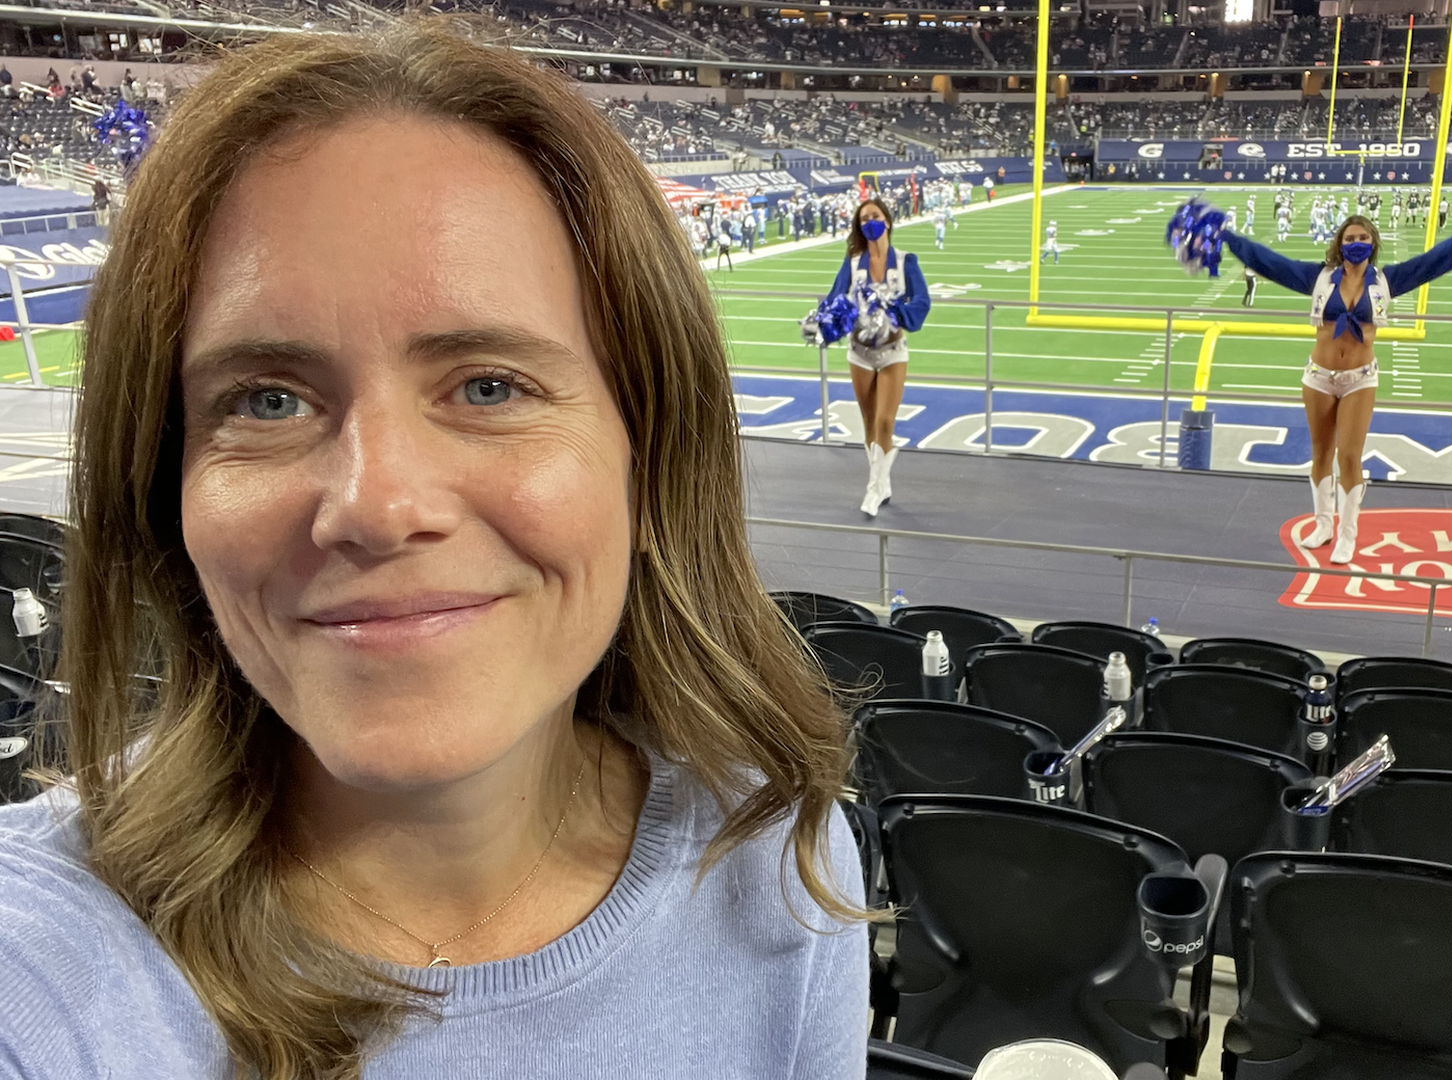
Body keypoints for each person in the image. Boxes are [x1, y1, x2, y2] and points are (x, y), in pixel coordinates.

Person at [0, 20, 867, 1080]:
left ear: (651, 456)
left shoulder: (781, 856)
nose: (376, 504)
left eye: (489, 386)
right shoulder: (36, 974)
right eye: (267, 400)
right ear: (164, 483)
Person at [1223, 210, 1452, 563]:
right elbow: (1268, 261)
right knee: (1321, 454)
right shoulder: (1319, 278)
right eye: (1350, 238)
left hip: (1360, 379)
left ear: (1373, 244)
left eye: (1363, 238)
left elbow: (1438, 260)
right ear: (1338, 244)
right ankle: (1323, 524)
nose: (1356, 244)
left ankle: (1347, 535)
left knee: (1349, 457)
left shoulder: (1389, 280)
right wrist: (1227, 236)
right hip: (1318, 376)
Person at [827, 199, 930, 516]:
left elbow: (922, 300)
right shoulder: (854, 261)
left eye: (875, 216)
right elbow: (835, 297)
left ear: (887, 220)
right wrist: (832, 322)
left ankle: (873, 489)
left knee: (886, 420)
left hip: (892, 352)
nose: (869, 222)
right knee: (869, 420)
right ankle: (881, 482)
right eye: (864, 219)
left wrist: (895, 314)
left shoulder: (905, 262)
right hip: (859, 351)